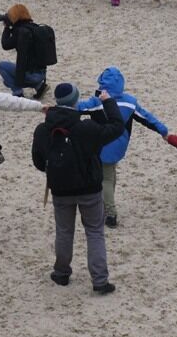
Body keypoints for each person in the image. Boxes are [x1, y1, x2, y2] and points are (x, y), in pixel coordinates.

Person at [32, 83, 125, 294]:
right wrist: (107, 102)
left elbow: (38, 162)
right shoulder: (86, 127)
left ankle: (62, 272)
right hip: (89, 188)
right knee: (94, 232)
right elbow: (117, 127)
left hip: (60, 189)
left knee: (64, 231)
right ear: (75, 101)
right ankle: (100, 280)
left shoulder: (43, 130)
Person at [77, 66, 168, 228]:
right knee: (110, 175)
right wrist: (162, 130)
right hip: (119, 145)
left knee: (105, 178)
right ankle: (107, 203)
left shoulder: (97, 102)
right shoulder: (130, 102)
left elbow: (77, 109)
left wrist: (57, 109)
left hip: (101, 145)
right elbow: (147, 118)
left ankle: (110, 213)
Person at [0, 4, 55, 99]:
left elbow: (5, 45)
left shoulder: (21, 32)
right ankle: (39, 86)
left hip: (30, 75)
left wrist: (7, 27)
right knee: (26, 68)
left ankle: (17, 92)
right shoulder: (34, 28)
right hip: (41, 74)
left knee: (2, 66)